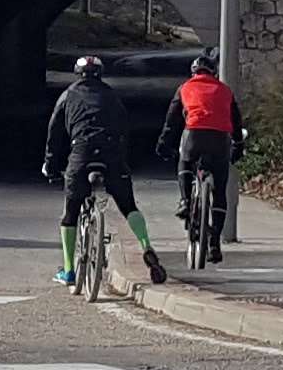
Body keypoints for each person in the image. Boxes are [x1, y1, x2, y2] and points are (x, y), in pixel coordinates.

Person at [39, 54, 160, 285]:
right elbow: (125, 128)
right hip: (111, 152)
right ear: (100, 74)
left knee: (70, 213)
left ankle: (68, 270)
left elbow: (54, 133)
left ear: (78, 73)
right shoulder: (112, 96)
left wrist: (51, 165)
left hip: (81, 152)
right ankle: (147, 245)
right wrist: (124, 160)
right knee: (128, 206)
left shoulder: (68, 95)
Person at [166, 55, 242, 245]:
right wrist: (239, 144)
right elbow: (236, 120)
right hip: (220, 139)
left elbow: (172, 120)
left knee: (185, 159)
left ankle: (185, 200)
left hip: (194, 135)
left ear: (193, 73)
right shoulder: (225, 90)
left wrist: (164, 143)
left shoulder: (185, 88)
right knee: (220, 191)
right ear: (213, 72)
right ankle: (215, 241)